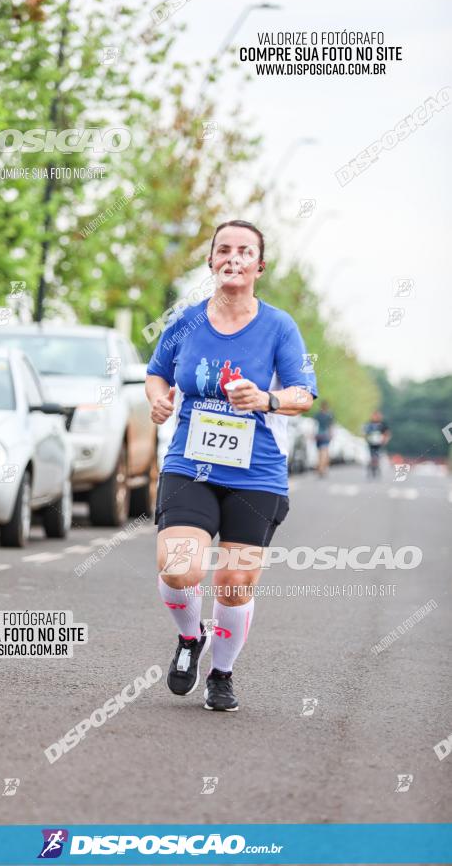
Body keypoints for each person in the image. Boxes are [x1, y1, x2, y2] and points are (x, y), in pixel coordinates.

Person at [145, 219, 318, 712]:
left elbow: (303, 394)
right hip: (189, 465)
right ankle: (189, 638)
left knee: (235, 583)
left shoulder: (279, 326)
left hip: (256, 472)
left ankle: (222, 674)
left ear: (259, 266)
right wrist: (159, 402)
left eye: (245, 251)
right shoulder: (186, 321)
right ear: (211, 261)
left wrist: (265, 398)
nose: (234, 258)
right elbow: (156, 375)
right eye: (224, 250)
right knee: (180, 569)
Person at [363, 410, 391, 478]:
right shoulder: (369, 424)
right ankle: (371, 468)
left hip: (379, 443)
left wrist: (385, 440)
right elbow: (365, 433)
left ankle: (376, 468)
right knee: (372, 456)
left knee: (377, 456)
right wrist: (366, 439)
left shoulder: (382, 425)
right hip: (371, 443)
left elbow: (387, 433)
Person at [314, 400, 334, 477]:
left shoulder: (318, 414)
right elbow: (331, 425)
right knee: (324, 452)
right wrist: (331, 434)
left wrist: (313, 434)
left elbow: (314, 424)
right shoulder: (329, 415)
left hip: (318, 435)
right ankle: (322, 468)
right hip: (325, 435)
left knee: (320, 452)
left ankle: (321, 467)